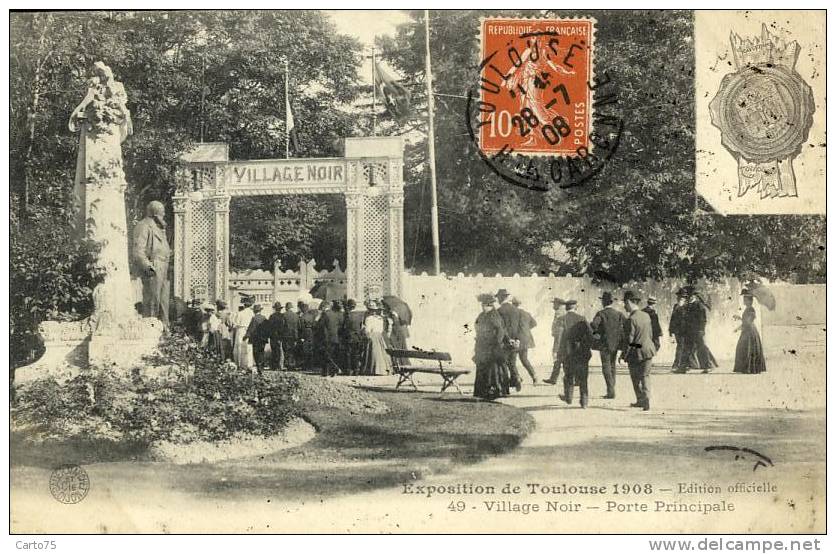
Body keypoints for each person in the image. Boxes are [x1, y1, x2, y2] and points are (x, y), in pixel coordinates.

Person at [132, 200, 171, 327]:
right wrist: (148, 265)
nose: (164, 215)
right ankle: (150, 329)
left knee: (164, 301)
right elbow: (138, 250)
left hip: (164, 266)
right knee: (153, 300)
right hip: (153, 267)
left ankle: (164, 329)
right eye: (162, 212)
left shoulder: (159, 228)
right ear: (155, 213)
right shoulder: (144, 226)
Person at [620, 291, 657, 411]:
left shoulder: (631, 319)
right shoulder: (646, 316)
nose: (624, 306)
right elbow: (650, 334)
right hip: (648, 350)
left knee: (635, 377)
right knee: (645, 376)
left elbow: (630, 340)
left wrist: (623, 354)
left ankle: (641, 399)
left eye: (625, 303)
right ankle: (646, 400)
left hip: (636, 352)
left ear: (629, 302)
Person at [473, 293, 510, 400]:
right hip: (482, 346)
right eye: (482, 305)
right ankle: (482, 391)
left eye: (484, 305)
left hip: (492, 347)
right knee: (483, 368)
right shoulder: (482, 315)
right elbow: (477, 325)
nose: (483, 307)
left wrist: (496, 344)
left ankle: (494, 391)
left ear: (490, 305)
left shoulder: (494, 315)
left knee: (492, 370)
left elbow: (500, 331)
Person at [590, 291, 626, 399]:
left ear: (603, 302)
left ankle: (611, 391)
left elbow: (593, 325)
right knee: (612, 366)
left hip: (604, 344)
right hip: (616, 344)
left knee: (606, 366)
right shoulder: (619, 314)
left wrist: (597, 334)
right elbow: (626, 324)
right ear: (611, 302)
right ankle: (612, 389)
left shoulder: (601, 314)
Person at [558, 300, 593, 408]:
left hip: (568, 352)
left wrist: (559, 351)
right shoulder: (582, 318)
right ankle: (584, 401)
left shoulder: (561, 319)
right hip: (582, 351)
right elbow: (590, 334)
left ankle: (568, 397)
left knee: (568, 374)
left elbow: (559, 337)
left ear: (566, 308)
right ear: (575, 307)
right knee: (583, 377)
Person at [683, 288, 718, 373]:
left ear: (694, 296)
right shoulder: (687, 305)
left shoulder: (699, 305)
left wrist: (701, 330)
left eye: (691, 296)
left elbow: (703, 319)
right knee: (687, 348)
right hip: (689, 331)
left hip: (697, 330)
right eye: (688, 296)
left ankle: (708, 366)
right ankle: (684, 366)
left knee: (701, 347)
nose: (689, 297)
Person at [495, 289, 523, 392]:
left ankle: (505, 388)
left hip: (505, 341)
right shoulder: (516, 310)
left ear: (501, 297)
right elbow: (521, 326)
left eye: (498, 297)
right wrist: (518, 339)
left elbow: (502, 328)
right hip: (516, 340)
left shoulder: (499, 311)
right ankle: (517, 378)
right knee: (512, 362)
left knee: (503, 364)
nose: (497, 300)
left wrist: (508, 339)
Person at [733, 290, 767, 374]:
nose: (744, 301)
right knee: (744, 348)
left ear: (749, 301)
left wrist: (738, 327)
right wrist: (740, 319)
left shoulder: (751, 309)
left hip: (750, 331)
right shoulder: (748, 309)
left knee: (747, 348)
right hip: (748, 330)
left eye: (745, 299)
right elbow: (746, 321)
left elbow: (748, 322)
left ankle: (749, 368)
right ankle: (747, 368)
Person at [362, 299, 393, 375]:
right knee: (381, 353)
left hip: (372, 336)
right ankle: (383, 369)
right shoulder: (380, 319)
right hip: (379, 336)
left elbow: (367, 330)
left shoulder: (368, 319)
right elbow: (381, 329)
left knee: (373, 353)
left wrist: (364, 331)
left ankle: (374, 369)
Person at [512, 298, 539, 384]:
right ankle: (534, 375)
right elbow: (534, 323)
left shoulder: (514, 314)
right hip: (526, 339)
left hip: (516, 339)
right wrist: (526, 330)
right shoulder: (527, 313)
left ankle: (517, 377)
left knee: (511, 360)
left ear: (513, 304)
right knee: (524, 359)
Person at [543, 298, 566, 385]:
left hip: (559, 339)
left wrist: (556, 344)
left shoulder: (559, 313)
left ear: (558, 304)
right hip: (561, 338)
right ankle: (553, 378)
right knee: (560, 359)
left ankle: (554, 378)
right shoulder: (562, 311)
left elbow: (559, 329)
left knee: (558, 358)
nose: (553, 305)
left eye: (554, 304)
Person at [342, 299, 367, 375]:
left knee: (348, 354)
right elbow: (361, 326)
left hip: (349, 336)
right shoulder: (359, 316)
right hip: (357, 337)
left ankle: (348, 370)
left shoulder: (346, 315)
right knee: (356, 354)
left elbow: (344, 327)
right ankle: (356, 369)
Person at [320, 300, 344, 376]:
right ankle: (332, 371)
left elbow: (320, 325)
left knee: (326, 355)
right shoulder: (337, 314)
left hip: (326, 337)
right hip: (335, 337)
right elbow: (341, 325)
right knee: (332, 355)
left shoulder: (325, 314)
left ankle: (328, 370)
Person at [669, 289, 689, 372]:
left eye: (681, 297)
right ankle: (678, 364)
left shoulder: (687, 307)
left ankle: (680, 364)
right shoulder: (676, 306)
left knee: (682, 347)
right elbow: (672, 319)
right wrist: (671, 330)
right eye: (679, 296)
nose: (679, 298)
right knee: (680, 346)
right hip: (678, 330)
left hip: (685, 330)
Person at [245, 304, 269, 373]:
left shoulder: (254, 318)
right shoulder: (264, 318)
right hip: (263, 339)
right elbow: (268, 328)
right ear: (260, 311)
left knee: (256, 353)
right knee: (261, 352)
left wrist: (246, 336)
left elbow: (251, 329)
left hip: (256, 339)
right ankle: (261, 366)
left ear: (254, 311)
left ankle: (259, 366)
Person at [233, 297, 255, 370]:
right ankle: (249, 364)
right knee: (248, 347)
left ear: (244, 305)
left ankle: (239, 363)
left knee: (239, 346)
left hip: (240, 330)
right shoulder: (252, 313)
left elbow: (235, 324)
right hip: (248, 330)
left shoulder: (240, 313)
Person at [280, 302, 300, 370]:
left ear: (286, 308)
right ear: (292, 308)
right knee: (293, 350)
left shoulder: (283, 315)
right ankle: (293, 365)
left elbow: (282, 326)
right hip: (294, 336)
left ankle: (287, 364)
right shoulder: (296, 316)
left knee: (286, 350)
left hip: (285, 336)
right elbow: (299, 326)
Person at [268, 302, 285, 370]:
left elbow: (269, 326)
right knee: (280, 350)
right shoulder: (282, 316)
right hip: (280, 336)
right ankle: (279, 365)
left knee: (274, 350)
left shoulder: (272, 316)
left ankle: (274, 365)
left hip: (273, 336)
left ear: (275, 309)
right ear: (280, 309)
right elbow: (283, 327)